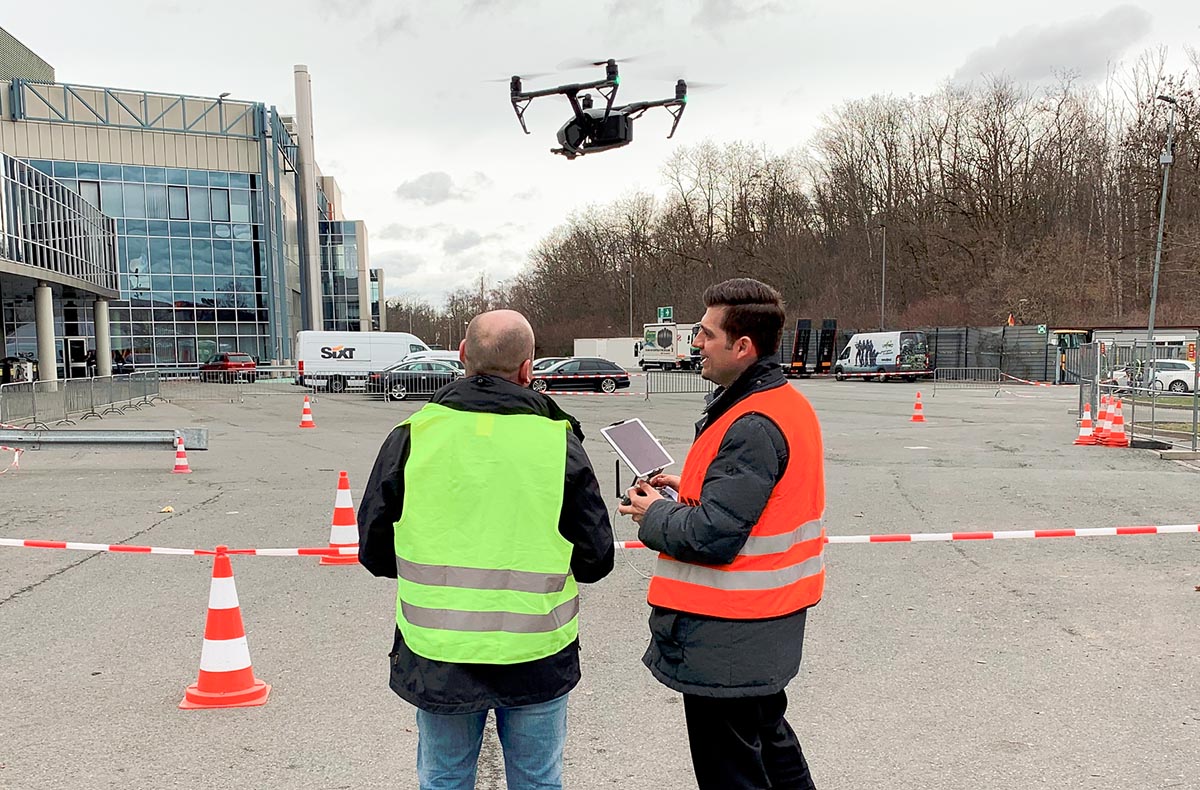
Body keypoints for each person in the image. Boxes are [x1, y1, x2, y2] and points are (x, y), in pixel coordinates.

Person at [358, 308, 614, 790]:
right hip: (536, 652)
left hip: (440, 653)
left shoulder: (413, 436)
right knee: (537, 780)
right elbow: (597, 557)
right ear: (528, 368)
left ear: (460, 356)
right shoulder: (556, 442)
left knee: (445, 778)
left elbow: (373, 547)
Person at [619, 278, 825, 790]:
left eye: (706, 335)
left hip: (729, 632)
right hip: (762, 626)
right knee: (771, 746)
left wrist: (653, 515)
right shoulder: (777, 403)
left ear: (742, 347)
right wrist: (683, 487)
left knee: (730, 770)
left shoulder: (752, 421)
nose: (695, 344)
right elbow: (743, 501)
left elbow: (715, 533)